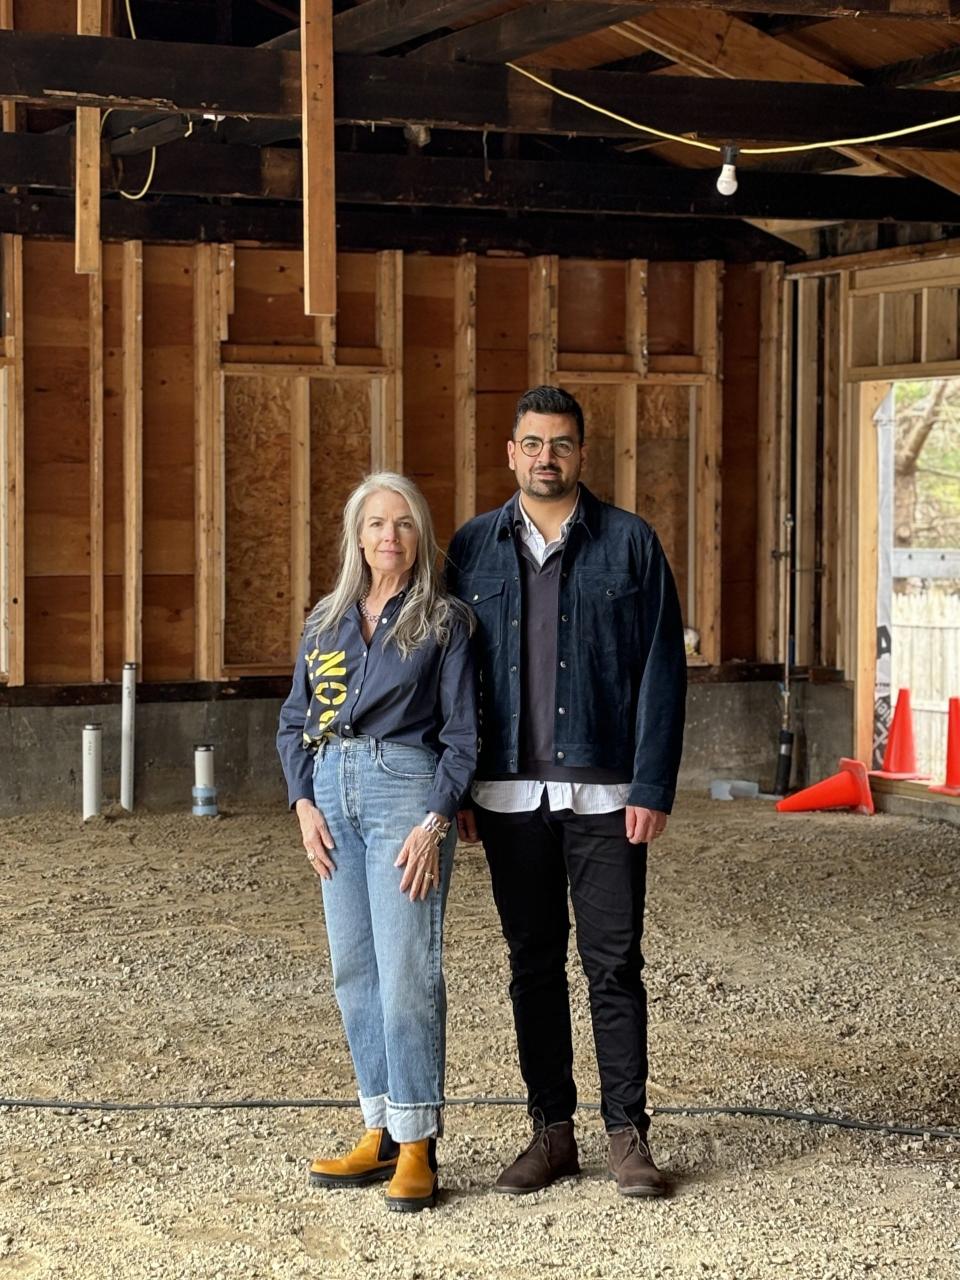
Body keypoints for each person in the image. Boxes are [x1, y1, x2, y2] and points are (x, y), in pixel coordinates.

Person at [446, 385, 686, 1199]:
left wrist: (652, 783)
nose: (546, 457)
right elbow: (450, 679)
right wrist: (459, 789)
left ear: (582, 453)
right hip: (508, 793)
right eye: (532, 444)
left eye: (561, 444)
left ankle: (629, 1136)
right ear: (510, 453)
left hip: (608, 792)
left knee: (614, 966)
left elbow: (662, 670)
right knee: (532, 966)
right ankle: (552, 1134)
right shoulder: (471, 549)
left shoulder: (630, 544)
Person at [277, 472, 476, 1213]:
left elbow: (461, 735)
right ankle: (379, 1128)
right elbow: (295, 720)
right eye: (374, 524)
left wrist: (434, 820)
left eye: (403, 524)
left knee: (406, 972)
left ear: (419, 537)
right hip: (332, 790)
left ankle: (419, 1139)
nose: (388, 536)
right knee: (353, 970)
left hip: (403, 792)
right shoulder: (324, 623)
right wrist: (302, 802)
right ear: (356, 538)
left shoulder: (443, 623)